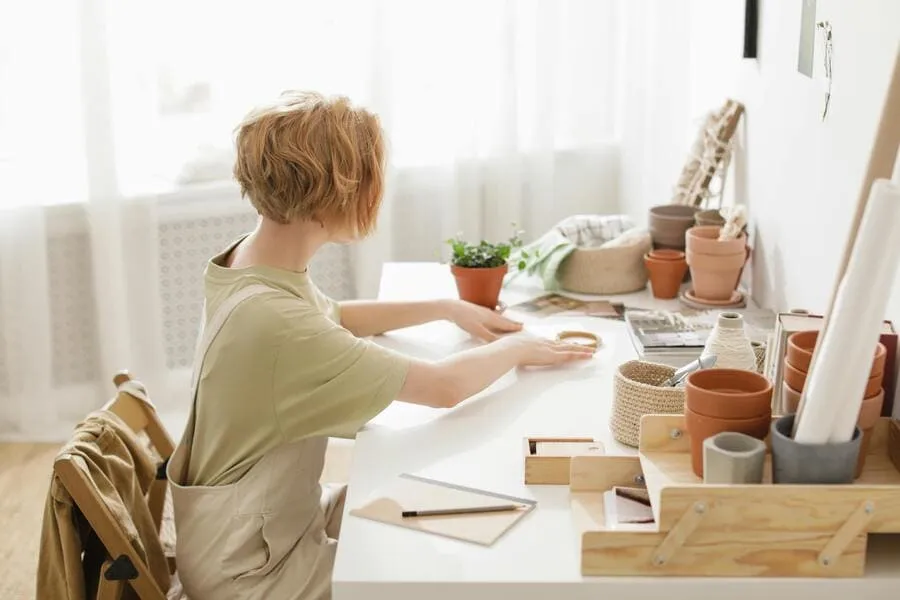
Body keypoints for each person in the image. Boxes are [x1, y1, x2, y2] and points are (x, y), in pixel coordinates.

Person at [166, 91, 594, 600]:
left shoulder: (250, 264)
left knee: (429, 501)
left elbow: (334, 317)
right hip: (251, 572)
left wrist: (444, 306)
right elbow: (443, 387)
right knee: (444, 566)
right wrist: (521, 349)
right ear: (331, 192)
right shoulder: (278, 323)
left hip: (260, 525)